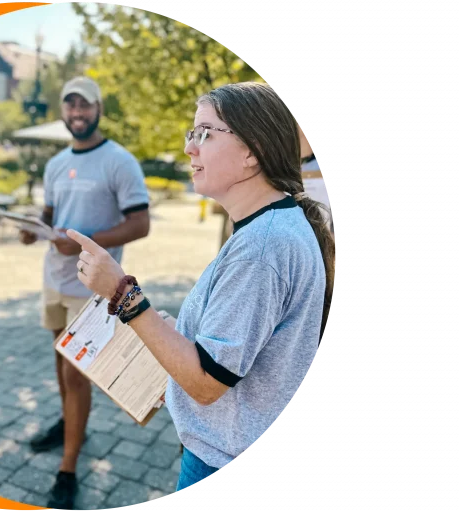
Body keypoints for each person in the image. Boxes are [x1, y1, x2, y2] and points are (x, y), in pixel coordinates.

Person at [66, 81, 336, 494]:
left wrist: (123, 294)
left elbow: (207, 382)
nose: (190, 148)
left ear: (252, 151)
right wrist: (169, 334)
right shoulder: (269, 229)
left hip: (219, 457)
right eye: (192, 134)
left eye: (204, 134)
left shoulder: (261, 249)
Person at [18, 76, 151, 509]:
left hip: (93, 285)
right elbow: (51, 215)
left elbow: (140, 222)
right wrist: (32, 229)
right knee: (60, 361)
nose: (77, 113)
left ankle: (68, 468)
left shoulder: (119, 160)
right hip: (54, 279)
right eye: (70, 105)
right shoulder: (56, 163)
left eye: (85, 106)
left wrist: (84, 240)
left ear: (98, 109)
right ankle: (68, 424)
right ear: (63, 110)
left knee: (78, 375)